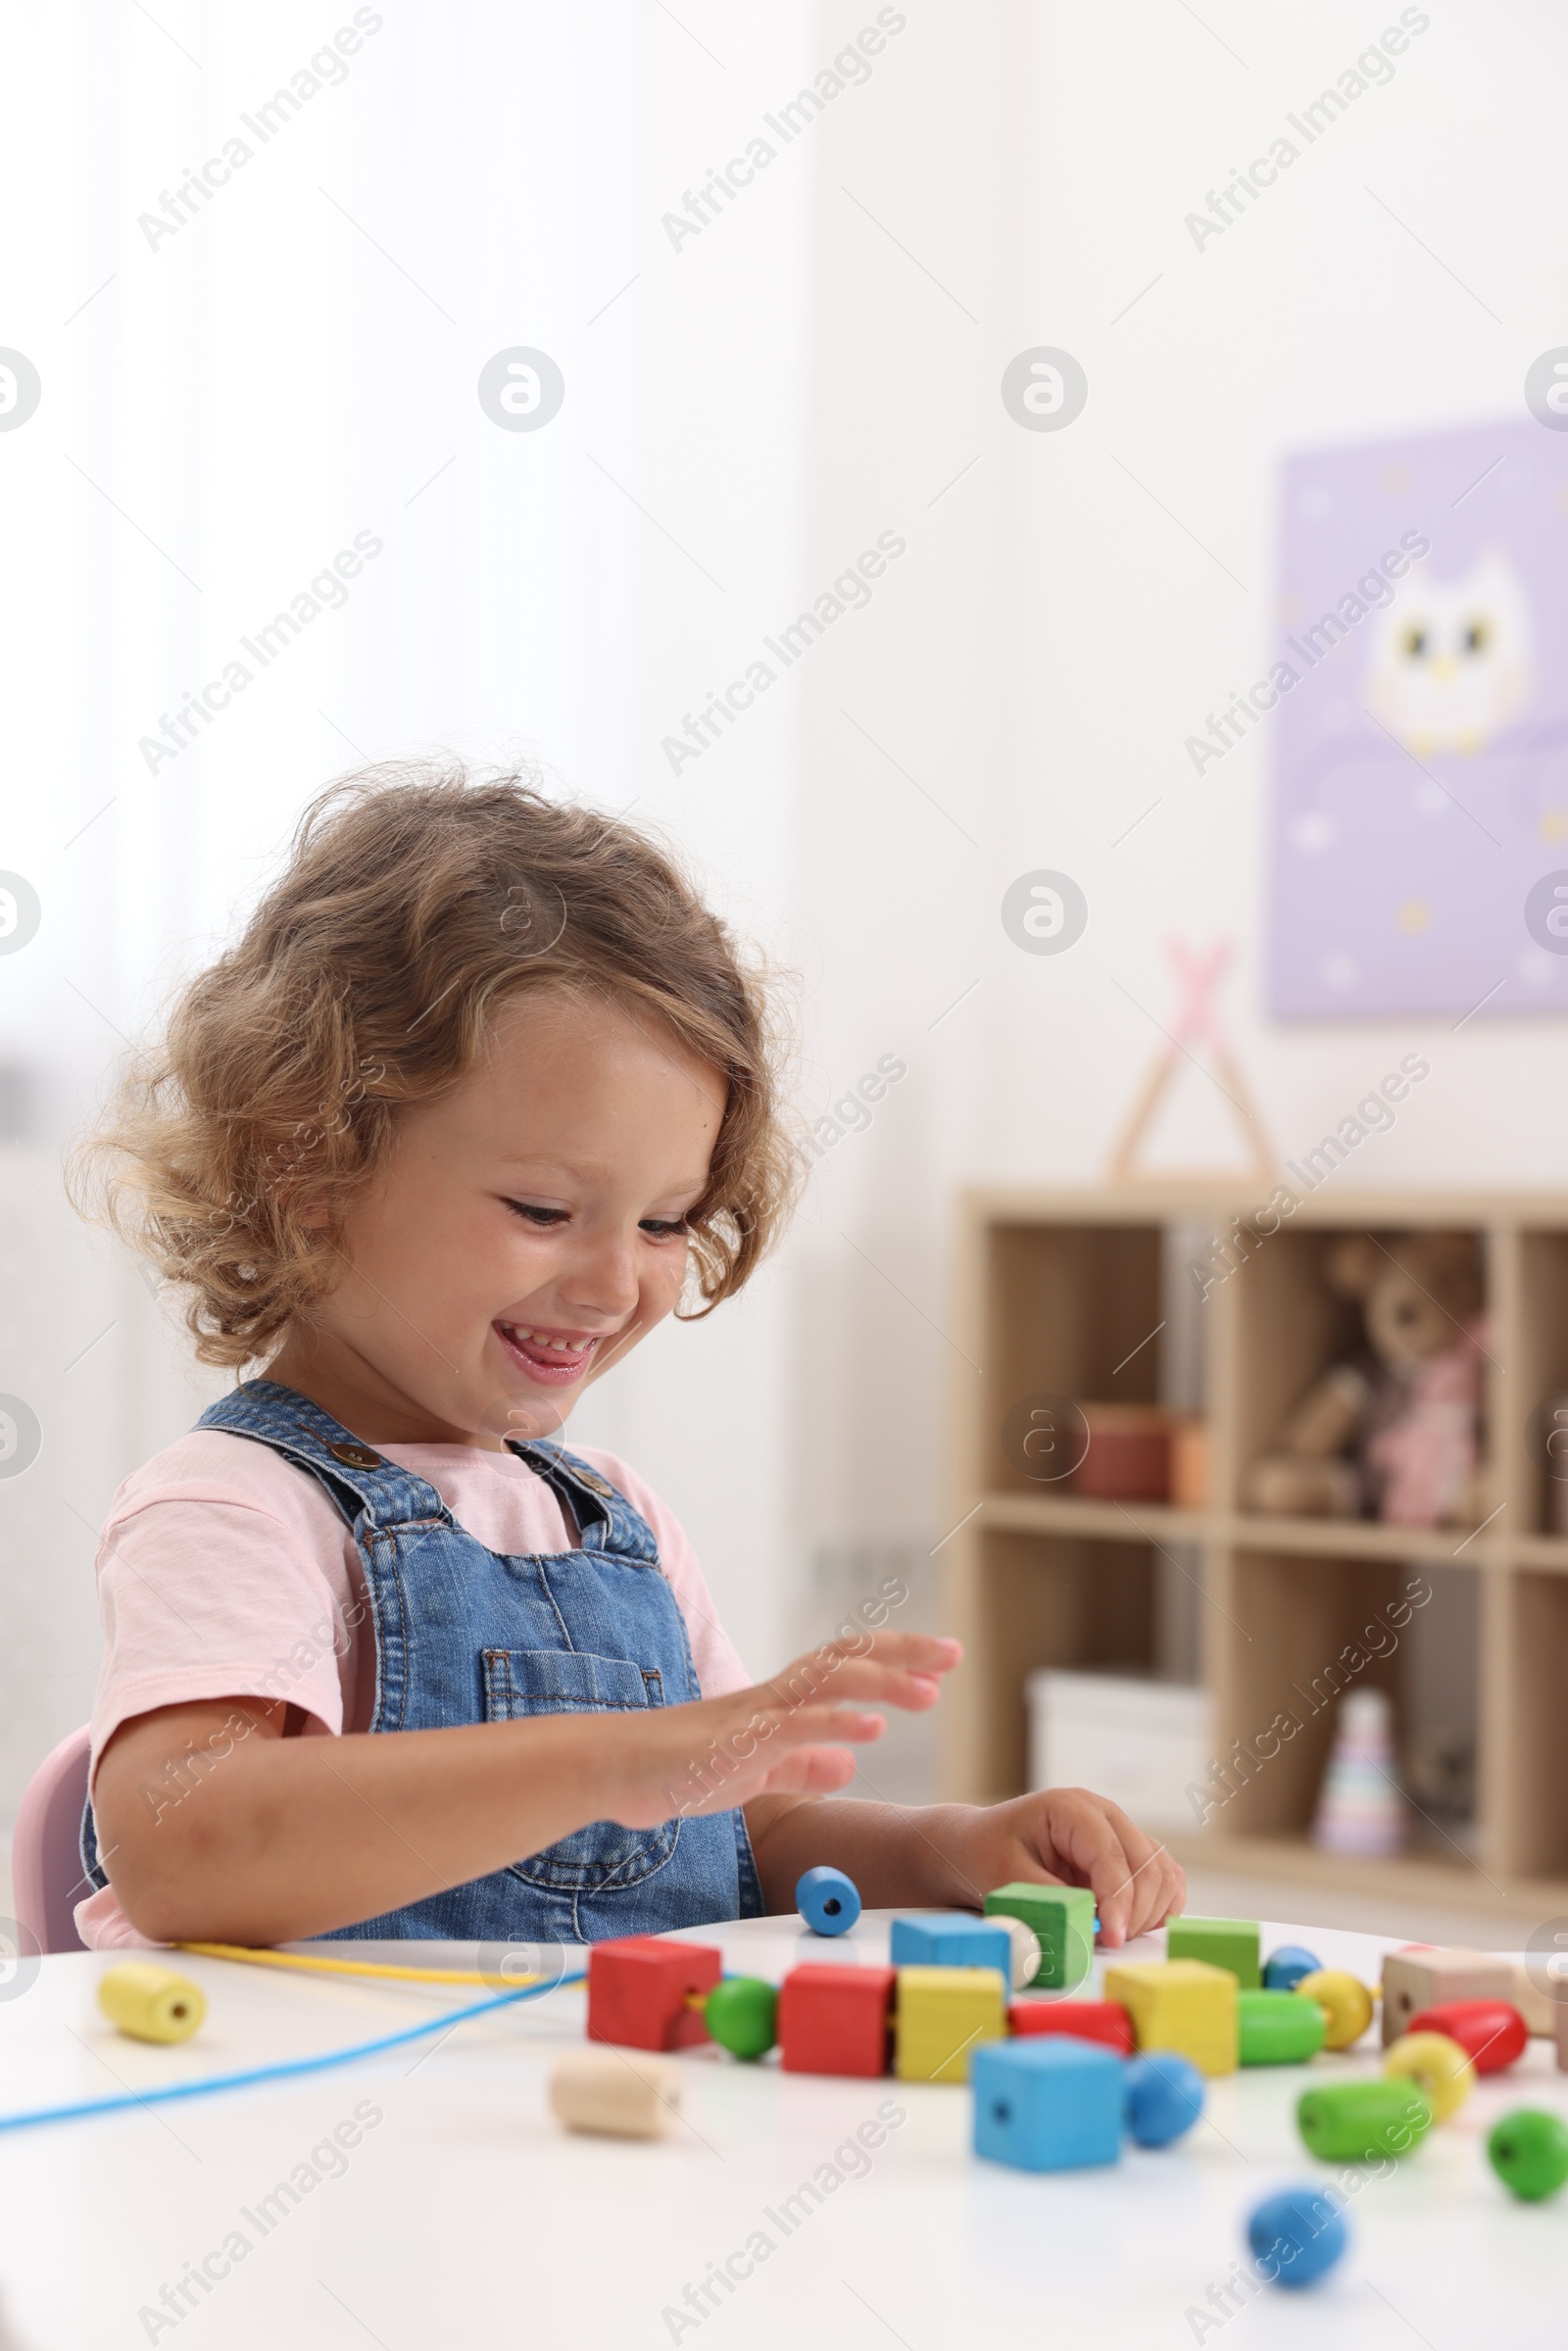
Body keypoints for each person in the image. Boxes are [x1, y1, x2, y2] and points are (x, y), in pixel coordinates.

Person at [73, 764, 1185, 1951]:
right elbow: (183, 1851)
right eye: (545, 1209)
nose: (613, 1283)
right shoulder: (241, 1505)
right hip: (318, 2121)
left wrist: (945, 1848)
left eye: (664, 1222)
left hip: (599, 2116)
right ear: (314, 1174)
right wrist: (614, 1759)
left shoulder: (617, 1520)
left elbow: (746, 1839)